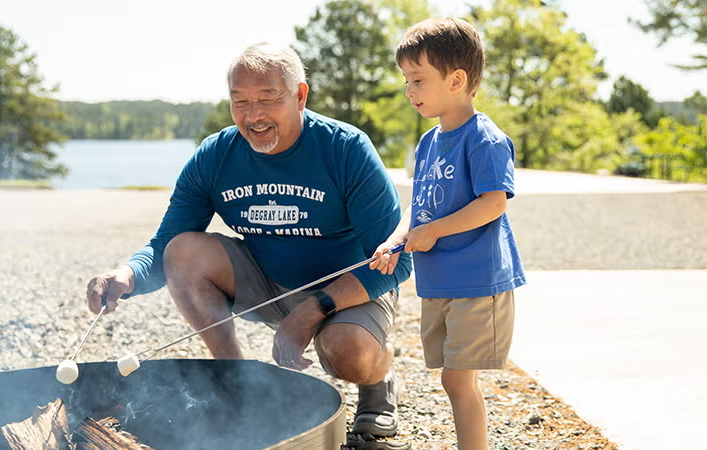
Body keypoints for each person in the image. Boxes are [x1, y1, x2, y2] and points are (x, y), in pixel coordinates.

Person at [85, 43, 412, 439]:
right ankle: (235, 382)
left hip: (347, 289)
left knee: (349, 352)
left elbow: (399, 261)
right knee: (184, 252)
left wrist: (311, 311)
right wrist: (126, 276)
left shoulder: (345, 149)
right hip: (266, 282)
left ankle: (379, 384)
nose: (253, 115)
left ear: (300, 95)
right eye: (239, 101)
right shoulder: (216, 155)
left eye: (267, 98)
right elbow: (168, 241)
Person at [369, 18, 526, 450]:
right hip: (441, 282)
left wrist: (434, 231)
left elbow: (493, 202)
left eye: (418, 80)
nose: (409, 91)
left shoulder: (484, 139)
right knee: (451, 378)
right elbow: (418, 208)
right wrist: (395, 239)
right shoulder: (428, 143)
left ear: (456, 80)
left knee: (458, 380)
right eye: (407, 80)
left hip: (478, 280)